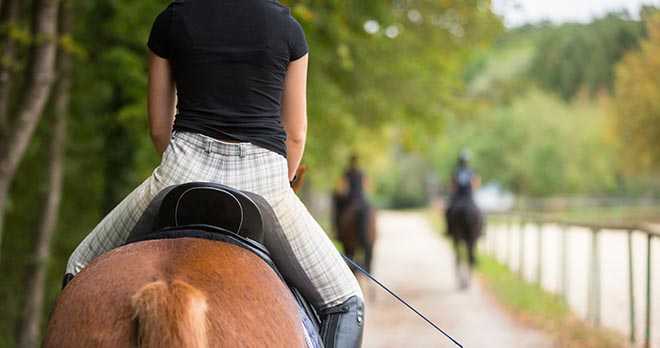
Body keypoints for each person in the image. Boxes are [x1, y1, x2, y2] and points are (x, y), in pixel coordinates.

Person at [64, 1, 364, 346]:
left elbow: (160, 130)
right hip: (264, 184)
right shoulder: (287, 28)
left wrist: (190, 164)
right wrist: (283, 181)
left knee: (81, 265)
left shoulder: (172, 19)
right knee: (345, 300)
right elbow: (295, 133)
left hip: (182, 174)